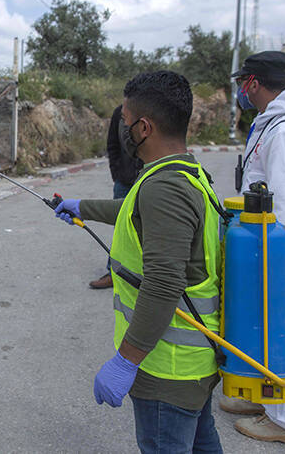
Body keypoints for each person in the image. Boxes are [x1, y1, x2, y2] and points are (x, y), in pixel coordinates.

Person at [55, 71, 223, 453]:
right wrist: (82, 207)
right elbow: (134, 211)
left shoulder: (164, 188)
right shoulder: (184, 173)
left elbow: (163, 283)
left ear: (144, 128)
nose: (123, 131)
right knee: (202, 443)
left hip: (168, 369)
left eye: (125, 123)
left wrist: (125, 361)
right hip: (193, 363)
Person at [219, 50, 285, 444]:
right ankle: (266, 395)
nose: (242, 91)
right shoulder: (271, 122)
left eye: (243, 83)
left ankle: (282, 420)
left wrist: (273, 255)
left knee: (279, 325)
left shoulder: (283, 130)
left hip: (276, 245)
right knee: (264, 325)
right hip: (262, 241)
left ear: (254, 83)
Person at [89, 105, 143, 289]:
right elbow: (112, 145)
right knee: (121, 227)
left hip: (146, 180)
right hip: (124, 181)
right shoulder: (119, 114)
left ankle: (142, 273)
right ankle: (114, 271)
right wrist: (116, 173)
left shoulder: (151, 113)